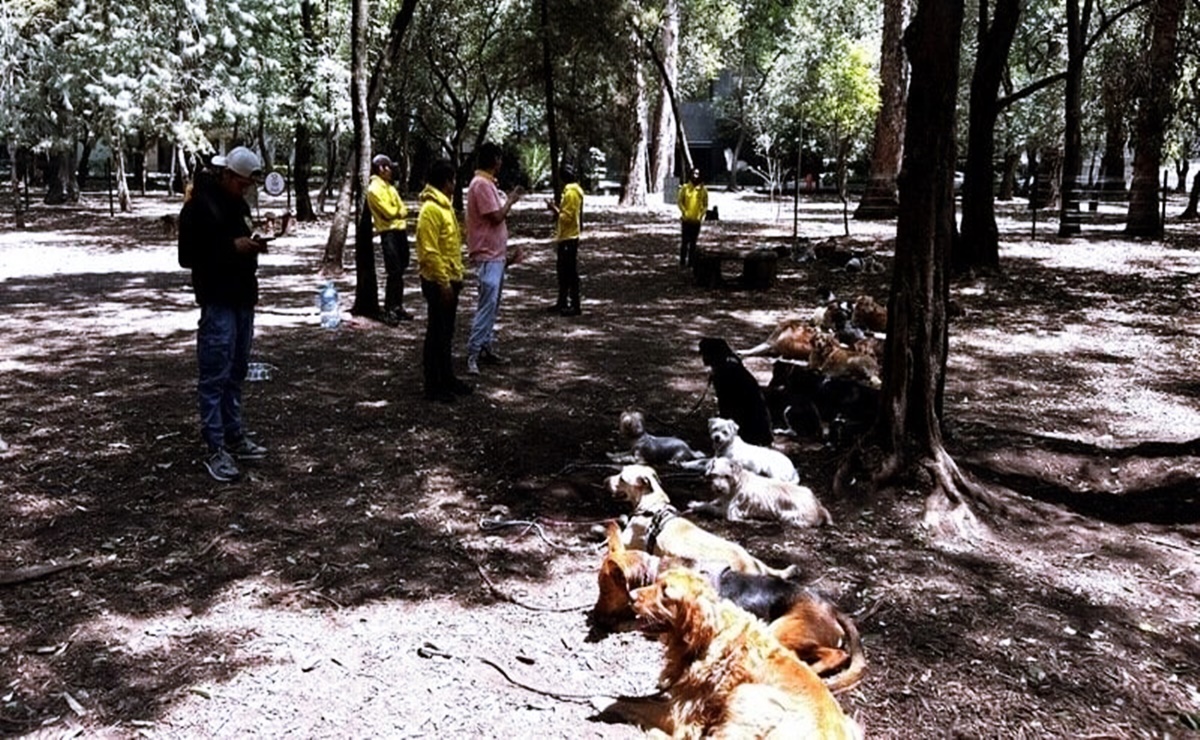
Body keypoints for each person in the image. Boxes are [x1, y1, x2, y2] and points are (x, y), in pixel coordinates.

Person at [178, 145, 270, 482]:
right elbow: (187, 255)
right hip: (217, 298)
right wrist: (232, 247)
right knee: (215, 372)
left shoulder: (239, 204)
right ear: (227, 175)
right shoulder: (198, 207)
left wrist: (258, 242)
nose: (245, 189)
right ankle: (214, 446)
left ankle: (234, 434)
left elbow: (243, 238)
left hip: (244, 295)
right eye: (242, 182)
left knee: (237, 370)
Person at [415, 159, 472, 403]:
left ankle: (447, 378)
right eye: (453, 180)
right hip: (439, 282)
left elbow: (449, 243)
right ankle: (433, 386)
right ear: (446, 181)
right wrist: (443, 282)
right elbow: (429, 251)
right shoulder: (430, 210)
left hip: (450, 277)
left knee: (447, 332)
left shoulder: (444, 207)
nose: (455, 185)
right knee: (436, 333)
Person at [465, 142, 523, 376]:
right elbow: (496, 217)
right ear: (495, 160)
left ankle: (485, 346)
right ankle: (473, 351)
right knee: (486, 306)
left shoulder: (487, 184)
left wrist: (507, 259)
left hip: (494, 256)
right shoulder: (481, 185)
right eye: (499, 159)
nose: (501, 163)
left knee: (492, 305)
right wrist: (510, 200)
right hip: (487, 255)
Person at [366, 154, 412, 325]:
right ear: (381, 169)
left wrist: (397, 212)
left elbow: (402, 209)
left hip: (400, 231)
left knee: (401, 268)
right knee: (393, 271)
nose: (391, 171)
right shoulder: (374, 190)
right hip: (388, 233)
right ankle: (389, 308)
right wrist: (396, 212)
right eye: (388, 167)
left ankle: (398, 306)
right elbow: (389, 212)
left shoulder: (390, 187)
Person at [544, 164, 584, 315]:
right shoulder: (571, 191)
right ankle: (562, 302)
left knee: (570, 272)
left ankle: (575, 305)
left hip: (569, 237)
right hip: (566, 236)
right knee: (563, 271)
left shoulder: (571, 193)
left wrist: (554, 209)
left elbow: (567, 217)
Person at [677, 167, 708, 268]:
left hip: (696, 221)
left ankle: (691, 263)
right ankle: (682, 262)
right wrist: (684, 212)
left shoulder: (703, 190)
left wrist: (701, 215)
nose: (696, 175)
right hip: (686, 220)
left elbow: (705, 204)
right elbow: (680, 202)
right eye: (694, 173)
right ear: (690, 174)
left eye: (698, 173)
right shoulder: (685, 188)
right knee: (685, 242)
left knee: (693, 244)